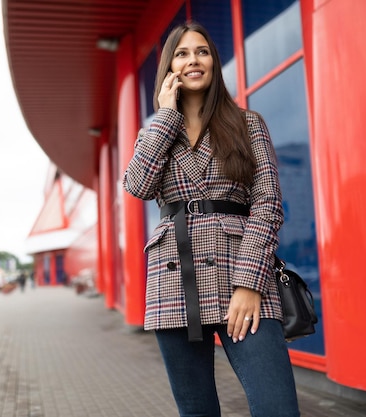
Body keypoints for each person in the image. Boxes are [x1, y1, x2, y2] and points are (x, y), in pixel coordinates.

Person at [123, 22, 300, 417]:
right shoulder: (153, 133)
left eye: (201, 51)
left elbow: (268, 202)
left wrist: (249, 283)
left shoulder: (246, 123)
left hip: (242, 270)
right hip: (174, 280)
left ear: (214, 63)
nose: (193, 60)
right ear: (170, 67)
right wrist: (166, 118)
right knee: (197, 411)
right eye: (182, 54)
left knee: (277, 407)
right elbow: (137, 185)